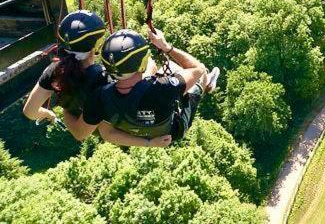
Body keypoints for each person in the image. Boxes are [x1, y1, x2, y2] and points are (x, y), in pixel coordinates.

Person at [23, 10, 169, 148]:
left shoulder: (54, 70)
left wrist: (49, 114)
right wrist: (145, 59)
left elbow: (29, 111)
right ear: (97, 44)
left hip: (86, 116)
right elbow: (92, 133)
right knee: (165, 70)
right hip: (108, 124)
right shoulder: (102, 80)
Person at [73, 28, 219, 147]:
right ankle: (206, 84)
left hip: (135, 128)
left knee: (173, 68)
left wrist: (149, 143)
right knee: (202, 73)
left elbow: (107, 134)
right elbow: (197, 68)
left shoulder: (99, 98)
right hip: (172, 129)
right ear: (141, 64)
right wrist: (166, 47)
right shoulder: (162, 88)